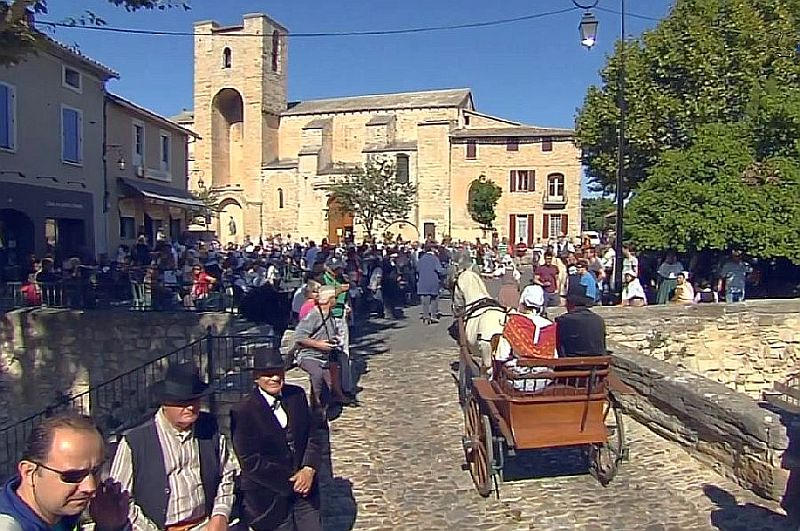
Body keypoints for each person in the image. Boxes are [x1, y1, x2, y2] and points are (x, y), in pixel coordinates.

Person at [109, 362, 239, 531]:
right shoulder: (136, 441)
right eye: (182, 402)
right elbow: (121, 498)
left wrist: (220, 514)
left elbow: (226, 474)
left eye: (194, 400)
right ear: (165, 403)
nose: (191, 407)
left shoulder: (209, 428)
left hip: (204, 525)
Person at [230, 347, 324, 531]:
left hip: (306, 490)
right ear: (256, 378)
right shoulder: (243, 411)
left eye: (278, 373)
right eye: (267, 374)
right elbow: (250, 460)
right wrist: (292, 481)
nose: (274, 378)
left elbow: (313, 434)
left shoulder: (296, 395)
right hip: (269, 497)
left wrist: (309, 468)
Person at [0, 413, 130, 531]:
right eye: (72, 476)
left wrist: (110, 527)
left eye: (96, 471)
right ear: (29, 473)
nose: (90, 487)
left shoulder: (61, 515)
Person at [293, 285, 354, 410]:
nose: (336, 301)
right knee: (317, 375)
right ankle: (315, 406)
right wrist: (319, 344)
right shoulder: (314, 315)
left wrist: (333, 341)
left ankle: (322, 410)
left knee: (328, 383)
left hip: (324, 356)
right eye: (334, 298)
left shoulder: (329, 315)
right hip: (308, 355)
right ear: (329, 299)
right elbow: (299, 336)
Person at [555, 280, 606, 357]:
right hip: (598, 365)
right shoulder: (599, 319)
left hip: (571, 364)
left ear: (570, 303)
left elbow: (559, 344)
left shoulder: (563, 320)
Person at [416, 245, 443, 324]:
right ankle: (433, 316)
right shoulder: (435, 259)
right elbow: (439, 270)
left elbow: (417, 269)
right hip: (433, 282)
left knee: (425, 301)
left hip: (422, 282)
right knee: (434, 300)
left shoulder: (420, 259)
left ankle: (425, 316)